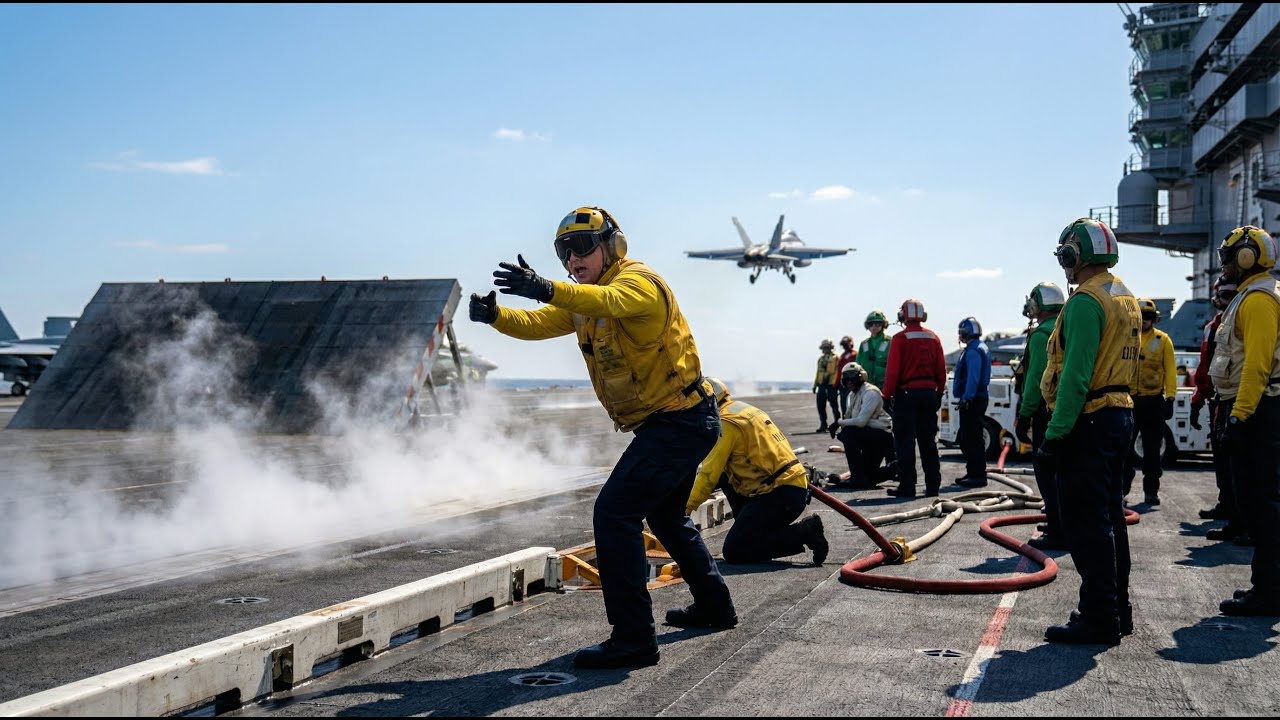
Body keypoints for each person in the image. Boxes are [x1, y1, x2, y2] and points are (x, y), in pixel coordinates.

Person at [469, 206, 735, 669]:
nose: (573, 258)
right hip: (675, 423)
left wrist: (546, 288)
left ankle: (633, 639)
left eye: (583, 246)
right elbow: (540, 322)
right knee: (667, 518)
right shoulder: (583, 300)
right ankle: (715, 606)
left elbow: (608, 302)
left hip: (679, 421)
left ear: (612, 246)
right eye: (563, 250)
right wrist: (496, 315)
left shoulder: (638, 284)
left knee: (614, 513)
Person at [1038, 217, 1140, 645]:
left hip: (1090, 420)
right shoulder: (1125, 297)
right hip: (1119, 416)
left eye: (1065, 254)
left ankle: (1099, 616)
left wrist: (1055, 436)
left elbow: (1076, 377)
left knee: (1085, 523)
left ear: (1073, 255)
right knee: (1111, 519)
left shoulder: (1084, 302)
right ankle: (1118, 610)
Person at [1207, 226, 1280, 617]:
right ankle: (1266, 586)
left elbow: (1257, 365)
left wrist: (1239, 416)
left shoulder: (1257, 300)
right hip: (1259, 409)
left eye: (1230, 256)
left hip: (1259, 411)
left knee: (1262, 503)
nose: (1224, 264)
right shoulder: (1255, 296)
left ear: (1249, 257)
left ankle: (1269, 592)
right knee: (1258, 502)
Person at [686, 378, 829, 566]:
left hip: (778, 495)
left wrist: (683, 509)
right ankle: (749, 528)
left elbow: (707, 476)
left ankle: (803, 532)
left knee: (735, 550)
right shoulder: (743, 410)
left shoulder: (726, 424)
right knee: (724, 474)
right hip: (789, 489)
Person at [1193, 276, 1247, 543]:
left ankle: (1244, 521)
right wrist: (1199, 397)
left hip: (1238, 399)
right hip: (1221, 398)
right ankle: (1230, 509)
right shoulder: (1215, 326)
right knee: (1225, 462)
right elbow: (1207, 365)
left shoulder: (1237, 321)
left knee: (1240, 465)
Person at [1015, 282, 1067, 551]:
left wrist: (1024, 415)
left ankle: (1058, 530)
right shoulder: (1065, 329)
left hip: (1044, 412)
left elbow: (1036, 378)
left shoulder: (1039, 335)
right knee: (1064, 472)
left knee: (1045, 471)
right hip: (1067, 409)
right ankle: (1061, 521)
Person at [881, 299, 946, 498]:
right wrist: (939, 393)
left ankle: (907, 487)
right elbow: (941, 370)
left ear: (902, 316)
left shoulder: (900, 339)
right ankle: (933, 486)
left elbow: (892, 372)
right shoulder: (933, 337)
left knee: (904, 443)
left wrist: (886, 395)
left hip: (906, 395)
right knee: (928, 442)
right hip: (928, 395)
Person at [1124, 297, 1176, 505]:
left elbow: (1170, 370)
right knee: (1125, 450)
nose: (1144, 321)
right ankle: (1122, 491)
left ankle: (1151, 492)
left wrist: (1170, 397)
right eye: (1140, 317)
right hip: (1129, 401)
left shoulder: (1163, 341)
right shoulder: (1127, 338)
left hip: (1153, 402)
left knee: (1152, 450)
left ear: (1154, 319)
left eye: (1147, 317)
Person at [830, 361, 896, 488]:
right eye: (846, 377)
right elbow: (849, 418)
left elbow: (861, 421)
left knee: (848, 434)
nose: (849, 380)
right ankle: (891, 470)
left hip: (880, 437)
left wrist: (838, 423)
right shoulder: (852, 395)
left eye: (852, 376)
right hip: (868, 437)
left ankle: (857, 478)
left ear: (861, 376)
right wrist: (840, 424)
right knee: (870, 477)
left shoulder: (870, 392)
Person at [953, 317, 992, 487]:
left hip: (973, 399)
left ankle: (977, 476)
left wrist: (967, 398)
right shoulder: (977, 348)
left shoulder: (973, 351)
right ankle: (973, 472)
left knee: (972, 439)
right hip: (977, 398)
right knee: (970, 437)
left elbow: (973, 378)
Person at [812, 338, 840, 433]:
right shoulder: (820, 359)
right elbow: (818, 373)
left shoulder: (835, 358)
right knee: (820, 405)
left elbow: (836, 371)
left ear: (831, 348)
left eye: (827, 347)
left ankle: (837, 423)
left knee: (834, 405)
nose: (825, 349)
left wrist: (836, 383)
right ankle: (823, 424)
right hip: (821, 385)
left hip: (831, 385)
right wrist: (815, 385)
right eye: (824, 347)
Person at [859, 310, 891, 389]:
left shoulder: (890, 342)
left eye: (877, 324)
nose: (874, 326)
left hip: (884, 385)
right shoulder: (864, 344)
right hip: (866, 386)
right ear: (867, 326)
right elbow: (858, 364)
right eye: (871, 324)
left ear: (883, 325)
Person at [836, 336, 858, 416]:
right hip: (843, 383)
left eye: (846, 344)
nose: (845, 346)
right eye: (844, 345)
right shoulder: (842, 356)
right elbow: (839, 370)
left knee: (851, 403)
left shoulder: (854, 354)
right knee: (843, 403)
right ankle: (845, 422)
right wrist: (836, 382)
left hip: (852, 383)